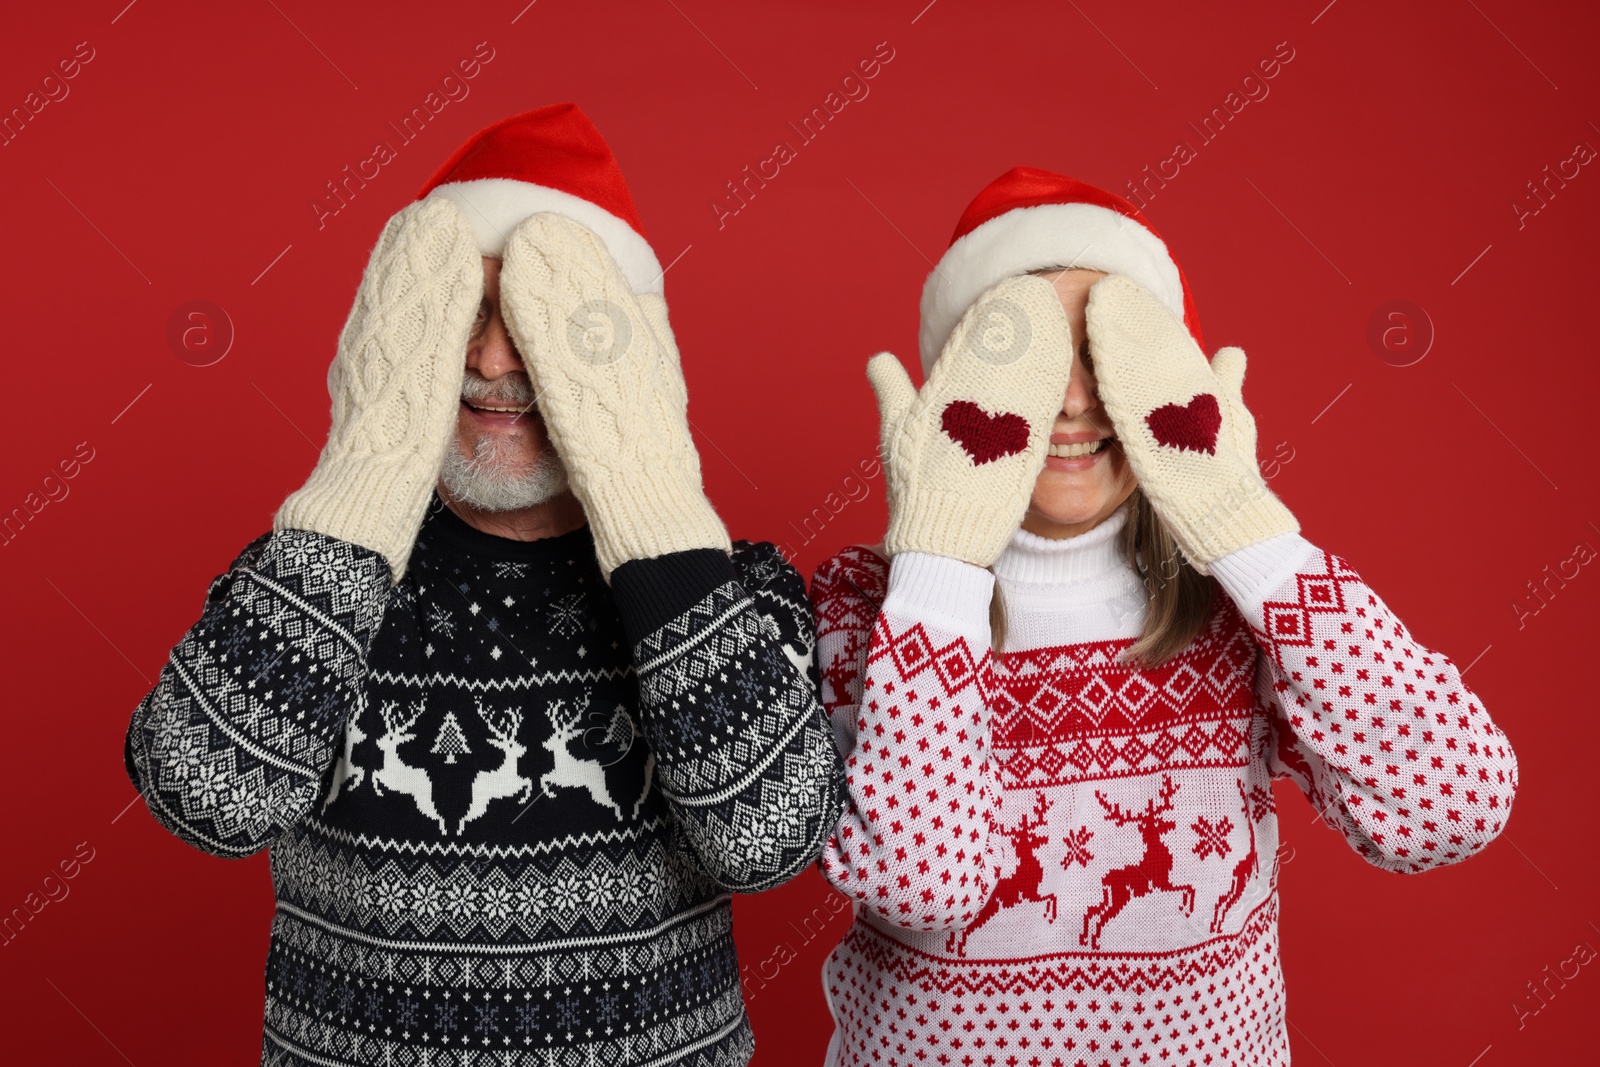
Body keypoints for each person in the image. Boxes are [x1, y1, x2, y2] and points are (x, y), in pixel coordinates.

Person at [123, 103, 845, 1067]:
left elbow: (770, 841)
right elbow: (201, 796)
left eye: (542, 326)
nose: (494, 359)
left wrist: (646, 491)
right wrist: (370, 463)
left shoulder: (735, 587)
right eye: (460, 311)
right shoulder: (310, 575)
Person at [809, 167, 1518, 1066]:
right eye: (1020, 360)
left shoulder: (1239, 613)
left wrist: (1242, 522)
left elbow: (1453, 803)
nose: (1069, 401)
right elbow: (925, 883)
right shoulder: (862, 609)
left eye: (1107, 356)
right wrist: (942, 554)